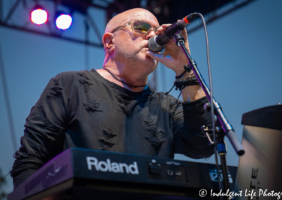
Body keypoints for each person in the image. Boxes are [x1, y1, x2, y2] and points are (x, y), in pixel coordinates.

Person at [11, 8, 214, 188]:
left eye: (157, 30)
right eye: (141, 27)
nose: (153, 35)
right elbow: (30, 162)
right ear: (109, 41)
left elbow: (205, 144)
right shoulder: (70, 85)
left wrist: (184, 70)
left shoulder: (166, 106)